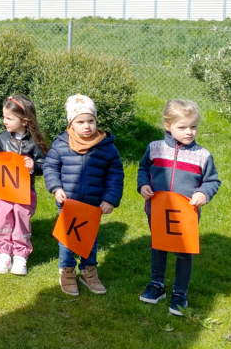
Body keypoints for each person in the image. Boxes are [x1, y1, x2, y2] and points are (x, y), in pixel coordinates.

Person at [137, 99, 221, 316]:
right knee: (158, 246)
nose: (189, 132)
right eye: (182, 127)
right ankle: (157, 285)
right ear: (167, 125)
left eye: (193, 126)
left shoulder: (202, 155)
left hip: (186, 214)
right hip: (157, 211)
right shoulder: (154, 148)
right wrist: (143, 185)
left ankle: (180, 293)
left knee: (184, 252)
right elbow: (143, 169)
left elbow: (212, 180)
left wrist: (204, 193)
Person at [43, 94, 124, 296]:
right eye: (80, 122)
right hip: (68, 203)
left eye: (91, 121)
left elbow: (115, 174)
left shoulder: (106, 147)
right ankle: (67, 270)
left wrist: (110, 199)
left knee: (90, 239)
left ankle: (88, 270)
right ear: (71, 123)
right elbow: (50, 167)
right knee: (67, 239)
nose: (86, 126)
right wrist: (56, 188)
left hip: (93, 205)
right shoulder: (61, 144)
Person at [0, 94, 48, 276]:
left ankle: (20, 256)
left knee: (21, 220)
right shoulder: (2, 138)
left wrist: (34, 166)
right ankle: (3, 253)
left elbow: (45, 166)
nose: (5, 121)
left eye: (9, 118)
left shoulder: (34, 143)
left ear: (25, 121)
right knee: (1, 219)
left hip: (24, 193)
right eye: (4, 117)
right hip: (4, 191)